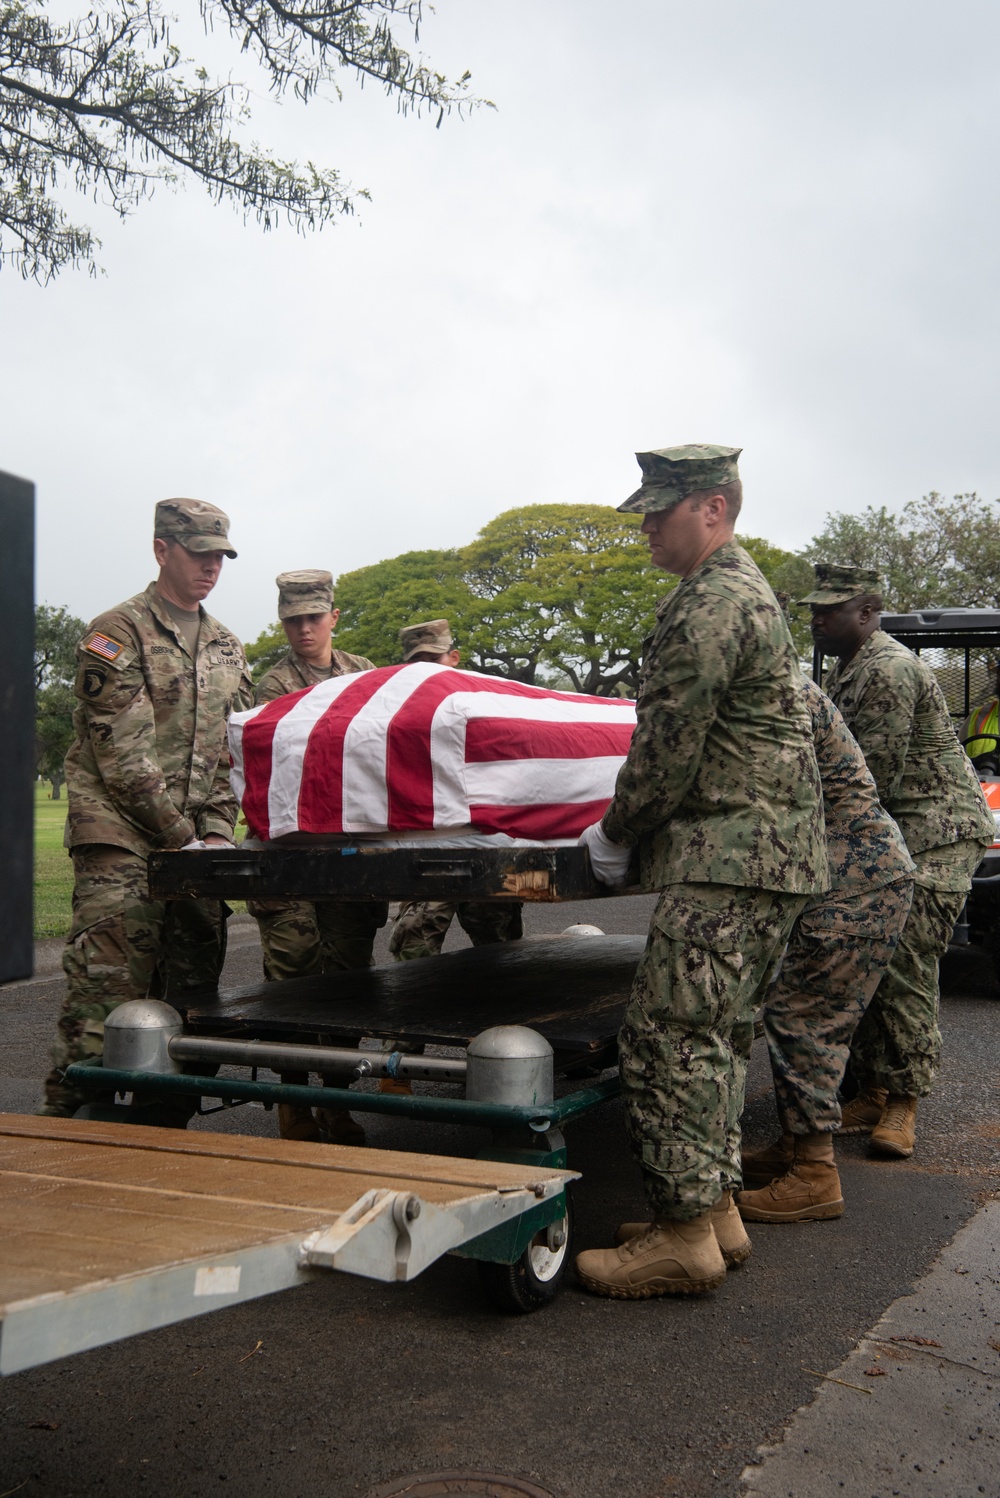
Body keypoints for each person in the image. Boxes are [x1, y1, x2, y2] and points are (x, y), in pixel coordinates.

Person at [573, 444, 828, 1299]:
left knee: (668, 1037)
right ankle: (713, 1214)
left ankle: (685, 1237)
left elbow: (668, 747)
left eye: (662, 510)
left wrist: (615, 830)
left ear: (713, 508)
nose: (646, 526)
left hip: (727, 854)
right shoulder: (745, 589)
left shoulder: (710, 603)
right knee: (715, 1035)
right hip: (769, 858)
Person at [40, 499, 251, 1118]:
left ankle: (165, 1123)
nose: (212, 567)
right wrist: (182, 836)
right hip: (122, 833)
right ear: (162, 550)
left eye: (220, 556)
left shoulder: (226, 647)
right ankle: (61, 1133)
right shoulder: (117, 632)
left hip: (192, 844)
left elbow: (226, 752)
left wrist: (215, 834)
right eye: (199, 554)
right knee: (104, 997)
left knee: (194, 995)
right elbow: (121, 755)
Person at [804, 563, 995, 1158]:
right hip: (892, 831)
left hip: (934, 832)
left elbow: (868, 779)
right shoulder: (848, 670)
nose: (816, 620)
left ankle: (905, 1101)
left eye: (829, 611)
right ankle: (878, 1088)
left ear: (866, 613)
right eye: (813, 609)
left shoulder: (888, 670)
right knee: (863, 953)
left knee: (905, 955)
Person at [735, 676, 915, 1222]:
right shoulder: (781, 685)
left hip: (856, 880)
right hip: (858, 875)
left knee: (802, 1019)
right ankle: (795, 1149)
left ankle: (815, 1175)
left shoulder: (775, 693)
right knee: (807, 1013)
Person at [248, 569, 388, 1143]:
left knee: (350, 980)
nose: (303, 628)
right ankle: (294, 1102)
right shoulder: (271, 685)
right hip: (290, 855)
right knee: (293, 977)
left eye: (313, 617)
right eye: (292, 620)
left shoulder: (366, 677)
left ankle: (335, 1099)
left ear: (333, 616)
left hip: (351, 858)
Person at [387, 618, 524, 963]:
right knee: (415, 946)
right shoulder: (392, 714)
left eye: (434, 660)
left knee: (500, 949)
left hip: (483, 841)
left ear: (454, 657)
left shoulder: (487, 702)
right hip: (427, 846)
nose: (426, 671)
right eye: (416, 663)